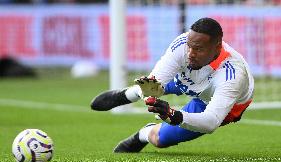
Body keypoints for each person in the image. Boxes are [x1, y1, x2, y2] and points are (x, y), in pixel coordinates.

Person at [91, 17, 254, 153]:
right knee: (152, 89)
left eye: (198, 49)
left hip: (215, 102)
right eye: (189, 46)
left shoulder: (232, 76)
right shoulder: (183, 44)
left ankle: (144, 133)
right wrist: (147, 91)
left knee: (160, 139)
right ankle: (128, 94)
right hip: (189, 80)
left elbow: (211, 122)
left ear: (217, 46)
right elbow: (155, 83)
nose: (190, 53)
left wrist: (174, 115)